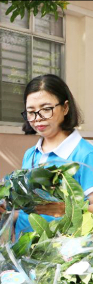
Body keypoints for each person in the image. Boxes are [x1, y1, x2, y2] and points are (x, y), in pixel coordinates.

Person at [14, 74, 93, 237]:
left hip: (61, 255)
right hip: (23, 250)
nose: (38, 118)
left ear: (65, 107)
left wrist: (68, 210)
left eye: (46, 109)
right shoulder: (30, 154)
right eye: (31, 112)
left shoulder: (85, 154)